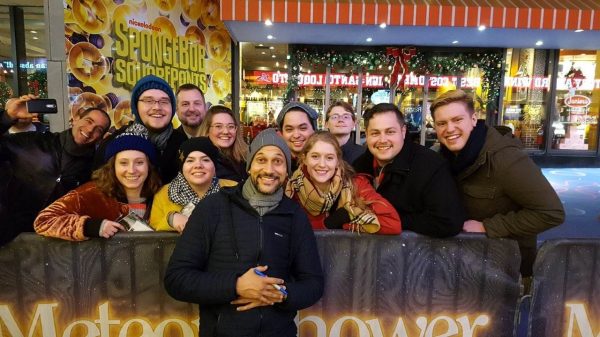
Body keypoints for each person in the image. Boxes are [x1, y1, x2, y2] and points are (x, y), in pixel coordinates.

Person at [164, 128, 324, 337]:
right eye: (261, 160)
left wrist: (279, 294)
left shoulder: (294, 216)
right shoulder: (213, 208)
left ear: (287, 170)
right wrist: (236, 286)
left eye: (278, 161)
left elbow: (313, 284)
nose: (269, 169)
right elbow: (177, 279)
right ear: (249, 166)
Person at [430, 89, 565, 276]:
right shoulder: (440, 157)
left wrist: (488, 226)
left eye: (457, 120)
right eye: (442, 123)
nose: (450, 128)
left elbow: (551, 213)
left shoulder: (506, 158)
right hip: (465, 265)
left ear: (473, 119)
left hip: (506, 269)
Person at [0, 94, 110, 246]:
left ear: (101, 137)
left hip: (59, 246)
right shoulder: (35, 141)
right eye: (89, 121)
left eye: (98, 129)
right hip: (10, 240)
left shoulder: (96, 167)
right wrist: (7, 116)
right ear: (76, 118)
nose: (90, 130)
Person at [353, 103, 464, 238]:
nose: (383, 140)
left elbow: (448, 221)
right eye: (375, 133)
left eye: (390, 132)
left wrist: (390, 221)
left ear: (403, 131)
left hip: (418, 255)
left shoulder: (430, 165)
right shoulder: (358, 166)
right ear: (367, 134)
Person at [34, 130, 161, 241]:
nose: (132, 170)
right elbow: (43, 221)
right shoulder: (91, 193)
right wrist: (90, 226)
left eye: (139, 162)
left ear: (149, 166)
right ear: (113, 166)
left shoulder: (162, 196)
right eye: (123, 163)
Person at [286, 131, 401, 234]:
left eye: (329, 158)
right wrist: (328, 224)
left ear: (337, 161)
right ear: (305, 159)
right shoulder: (292, 189)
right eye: (315, 156)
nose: (322, 164)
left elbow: (393, 224)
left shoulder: (356, 184)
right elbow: (286, 228)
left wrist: (348, 217)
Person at [94, 74, 187, 183]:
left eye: (164, 102)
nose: (157, 107)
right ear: (135, 107)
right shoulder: (113, 144)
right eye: (148, 101)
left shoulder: (183, 144)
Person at [149, 137, 237, 232]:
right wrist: (170, 219)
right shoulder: (163, 194)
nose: (198, 165)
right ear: (182, 166)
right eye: (190, 160)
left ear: (214, 166)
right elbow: (152, 232)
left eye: (205, 160)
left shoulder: (233, 189)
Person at [198, 105, 248, 182]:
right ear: (207, 130)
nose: (226, 131)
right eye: (218, 126)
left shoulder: (245, 157)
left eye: (230, 126)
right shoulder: (201, 163)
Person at [276, 102, 318, 171]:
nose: (296, 135)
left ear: (314, 129)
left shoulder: (324, 164)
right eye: (289, 129)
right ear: (281, 133)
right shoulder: (274, 164)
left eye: (303, 128)